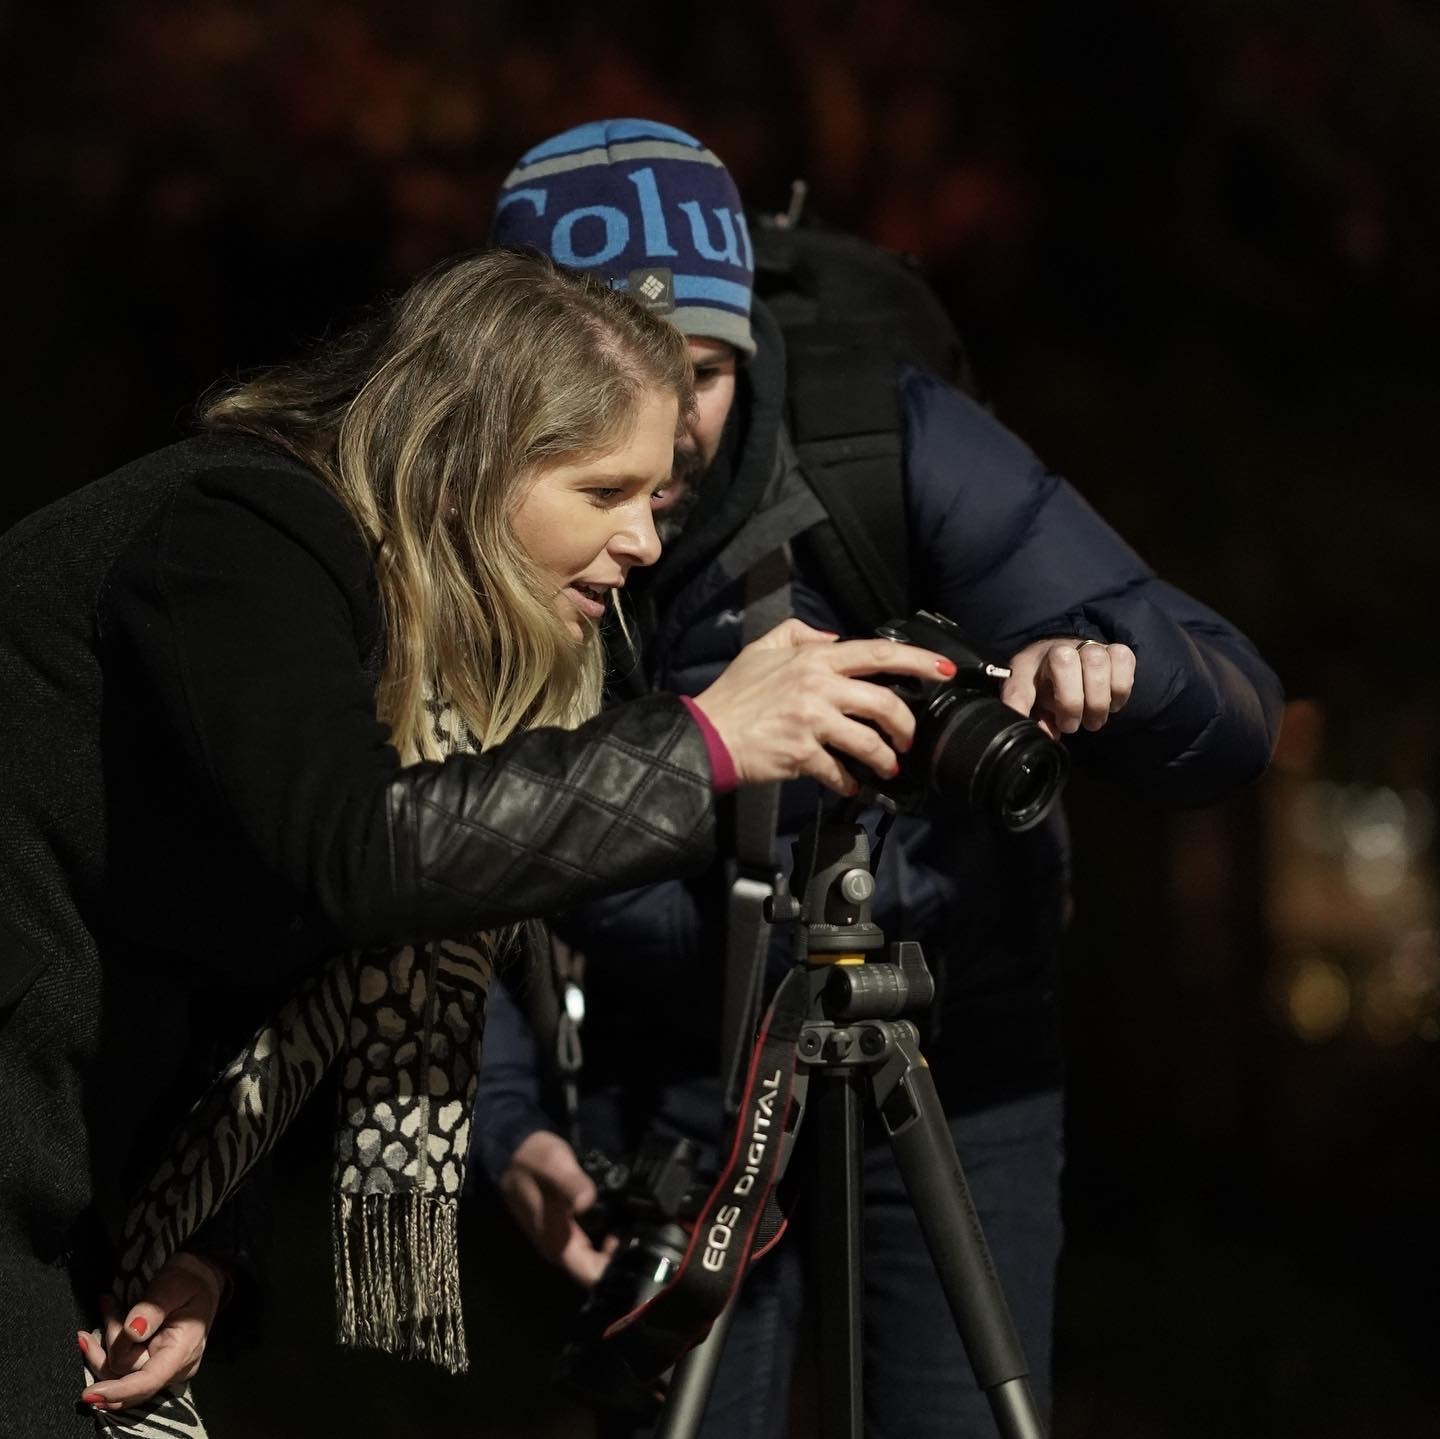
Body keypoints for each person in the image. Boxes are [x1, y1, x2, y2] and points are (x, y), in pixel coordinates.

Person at [0, 247, 958, 1437]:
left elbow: (229, 973)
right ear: (460, 463)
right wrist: (701, 744)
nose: (646, 542)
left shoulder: (379, 622)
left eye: (656, 500)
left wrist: (196, 1254)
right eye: (603, 491)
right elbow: (360, 857)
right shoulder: (238, 534)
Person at [473, 119, 1286, 1438]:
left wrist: (1122, 672)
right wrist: (507, 1120)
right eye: (598, 379)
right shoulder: (470, 516)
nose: (669, 438)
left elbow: (1232, 698)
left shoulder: (878, 438)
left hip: (945, 1049)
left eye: (702, 370)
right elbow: (444, 845)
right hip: (666, 1074)